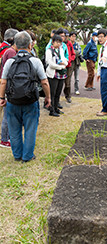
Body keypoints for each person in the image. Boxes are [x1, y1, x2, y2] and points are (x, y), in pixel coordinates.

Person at [0, 31, 51, 163]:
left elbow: (3, 81)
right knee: (30, 128)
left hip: (12, 101)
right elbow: (44, 82)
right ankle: (27, 156)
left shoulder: (10, 61)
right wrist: (48, 97)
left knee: (14, 129)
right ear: (30, 45)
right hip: (30, 100)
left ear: (15, 45)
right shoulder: (35, 61)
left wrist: (2, 98)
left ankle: (17, 155)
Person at [0, 28, 19, 148]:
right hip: (6, 85)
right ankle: (4, 138)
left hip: (4, 83)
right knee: (7, 114)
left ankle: (5, 137)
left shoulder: (5, 48)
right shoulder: (10, 52)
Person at [45, 34, 68, 116]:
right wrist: (60, 67)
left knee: (58, 92)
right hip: (53, 74)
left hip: (60, 75)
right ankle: (51, 110)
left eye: (60, 42)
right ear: (52, 42)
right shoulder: (49, 51)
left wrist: (63, 64)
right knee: (52, 93)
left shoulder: (61, 50)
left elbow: (65, 60)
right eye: (56, 42)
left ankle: (56, 108)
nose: (58, 44)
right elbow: (50, 63)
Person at [63, 29, 76, 103]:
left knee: (68, 81)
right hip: (61, 65)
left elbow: (73, 53)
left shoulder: (69, 43)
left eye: (67, 36)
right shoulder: (60, 43)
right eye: (65, 36)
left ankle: (68, 95)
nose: (66, 37)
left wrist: (70, 59)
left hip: (69, 65)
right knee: (60, 82)